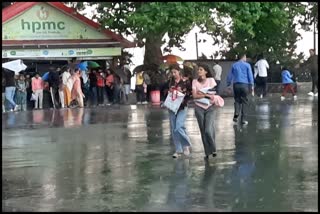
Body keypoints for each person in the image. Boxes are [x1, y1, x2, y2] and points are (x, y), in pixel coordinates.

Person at [192, 63, 218, 159]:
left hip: (210, 107)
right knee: (203, 130)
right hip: (199, 108)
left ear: (206, 72)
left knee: (208, 130)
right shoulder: (195, 82)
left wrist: (201, 93)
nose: (199, 71)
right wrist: (205, 94)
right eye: (198, 69)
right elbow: (194, 96)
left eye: (201, 69)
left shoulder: (211, 80)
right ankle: (207, 152)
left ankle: (213, 148)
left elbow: (213, 93)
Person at [167, 64, 192, 158]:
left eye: (175, 72)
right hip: (172, 106)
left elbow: (190, 93)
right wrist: (169, 92)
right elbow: (166, 92)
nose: (173, 74)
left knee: (179, 126)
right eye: (172, 72)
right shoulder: (170, 81)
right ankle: (178, 149)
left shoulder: (185, 81)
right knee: (174, 129)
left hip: (182, 106)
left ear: (179, 72)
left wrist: (183, 93)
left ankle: (187, 144)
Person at [226, 53, 254, 125]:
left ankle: (236, 115)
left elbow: (230, 76)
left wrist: (228, 84)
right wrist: (252, 85)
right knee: (245, 101)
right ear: (244, 57)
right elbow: (250, 76)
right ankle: (243, 120)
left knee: (237, 100)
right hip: (245, 85)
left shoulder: (234, 65)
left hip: (236, 85)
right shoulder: (247, 65)